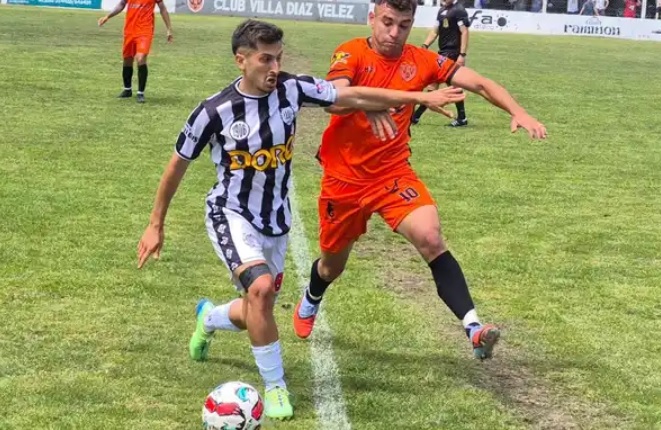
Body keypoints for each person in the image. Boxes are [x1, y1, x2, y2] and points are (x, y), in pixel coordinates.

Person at [136, 19, 465, 421]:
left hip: (276, 221)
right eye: (265, 59)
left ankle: (209, 318)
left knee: (258, 306)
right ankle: (275, 387)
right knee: (260, 290)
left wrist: (415, 97)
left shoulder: (292, 89)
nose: (275, 67)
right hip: (231, 213)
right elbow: (177, 165)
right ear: (241, 61)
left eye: (279, 58)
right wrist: (155, 224)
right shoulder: (213, 111)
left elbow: (351, 94)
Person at [292, 0, 547, 361]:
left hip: (392, 174)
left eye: (404, 24)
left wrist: (518, 111)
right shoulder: (351, 52)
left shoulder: (421, 60)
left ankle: (474, 329)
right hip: (344, 180)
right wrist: (376, 102)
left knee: (431, 238)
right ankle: (312, 296)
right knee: (331, 266)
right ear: (372, 18)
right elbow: (334, 100)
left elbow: (479, 83)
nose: (394, 33)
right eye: (387, 22)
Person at [98, 0, 173, 103]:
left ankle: (140, 93)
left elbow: (163, 9)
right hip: (129, 30)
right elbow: (122, 4)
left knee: (141, 58)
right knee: (127, 59)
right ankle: (127, 90)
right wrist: (108, 16)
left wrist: (169, 29)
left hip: (145, 30)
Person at [412, 0, 471, 127]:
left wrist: (462, 54)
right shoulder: (442, 10)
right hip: (443, 53)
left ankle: (415, 117)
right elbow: (435, 31)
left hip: (453, 53)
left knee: (437, 84)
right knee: (446, 85)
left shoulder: (459, 10)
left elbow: (464, 32)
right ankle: (462, 118)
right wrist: (425, 45)